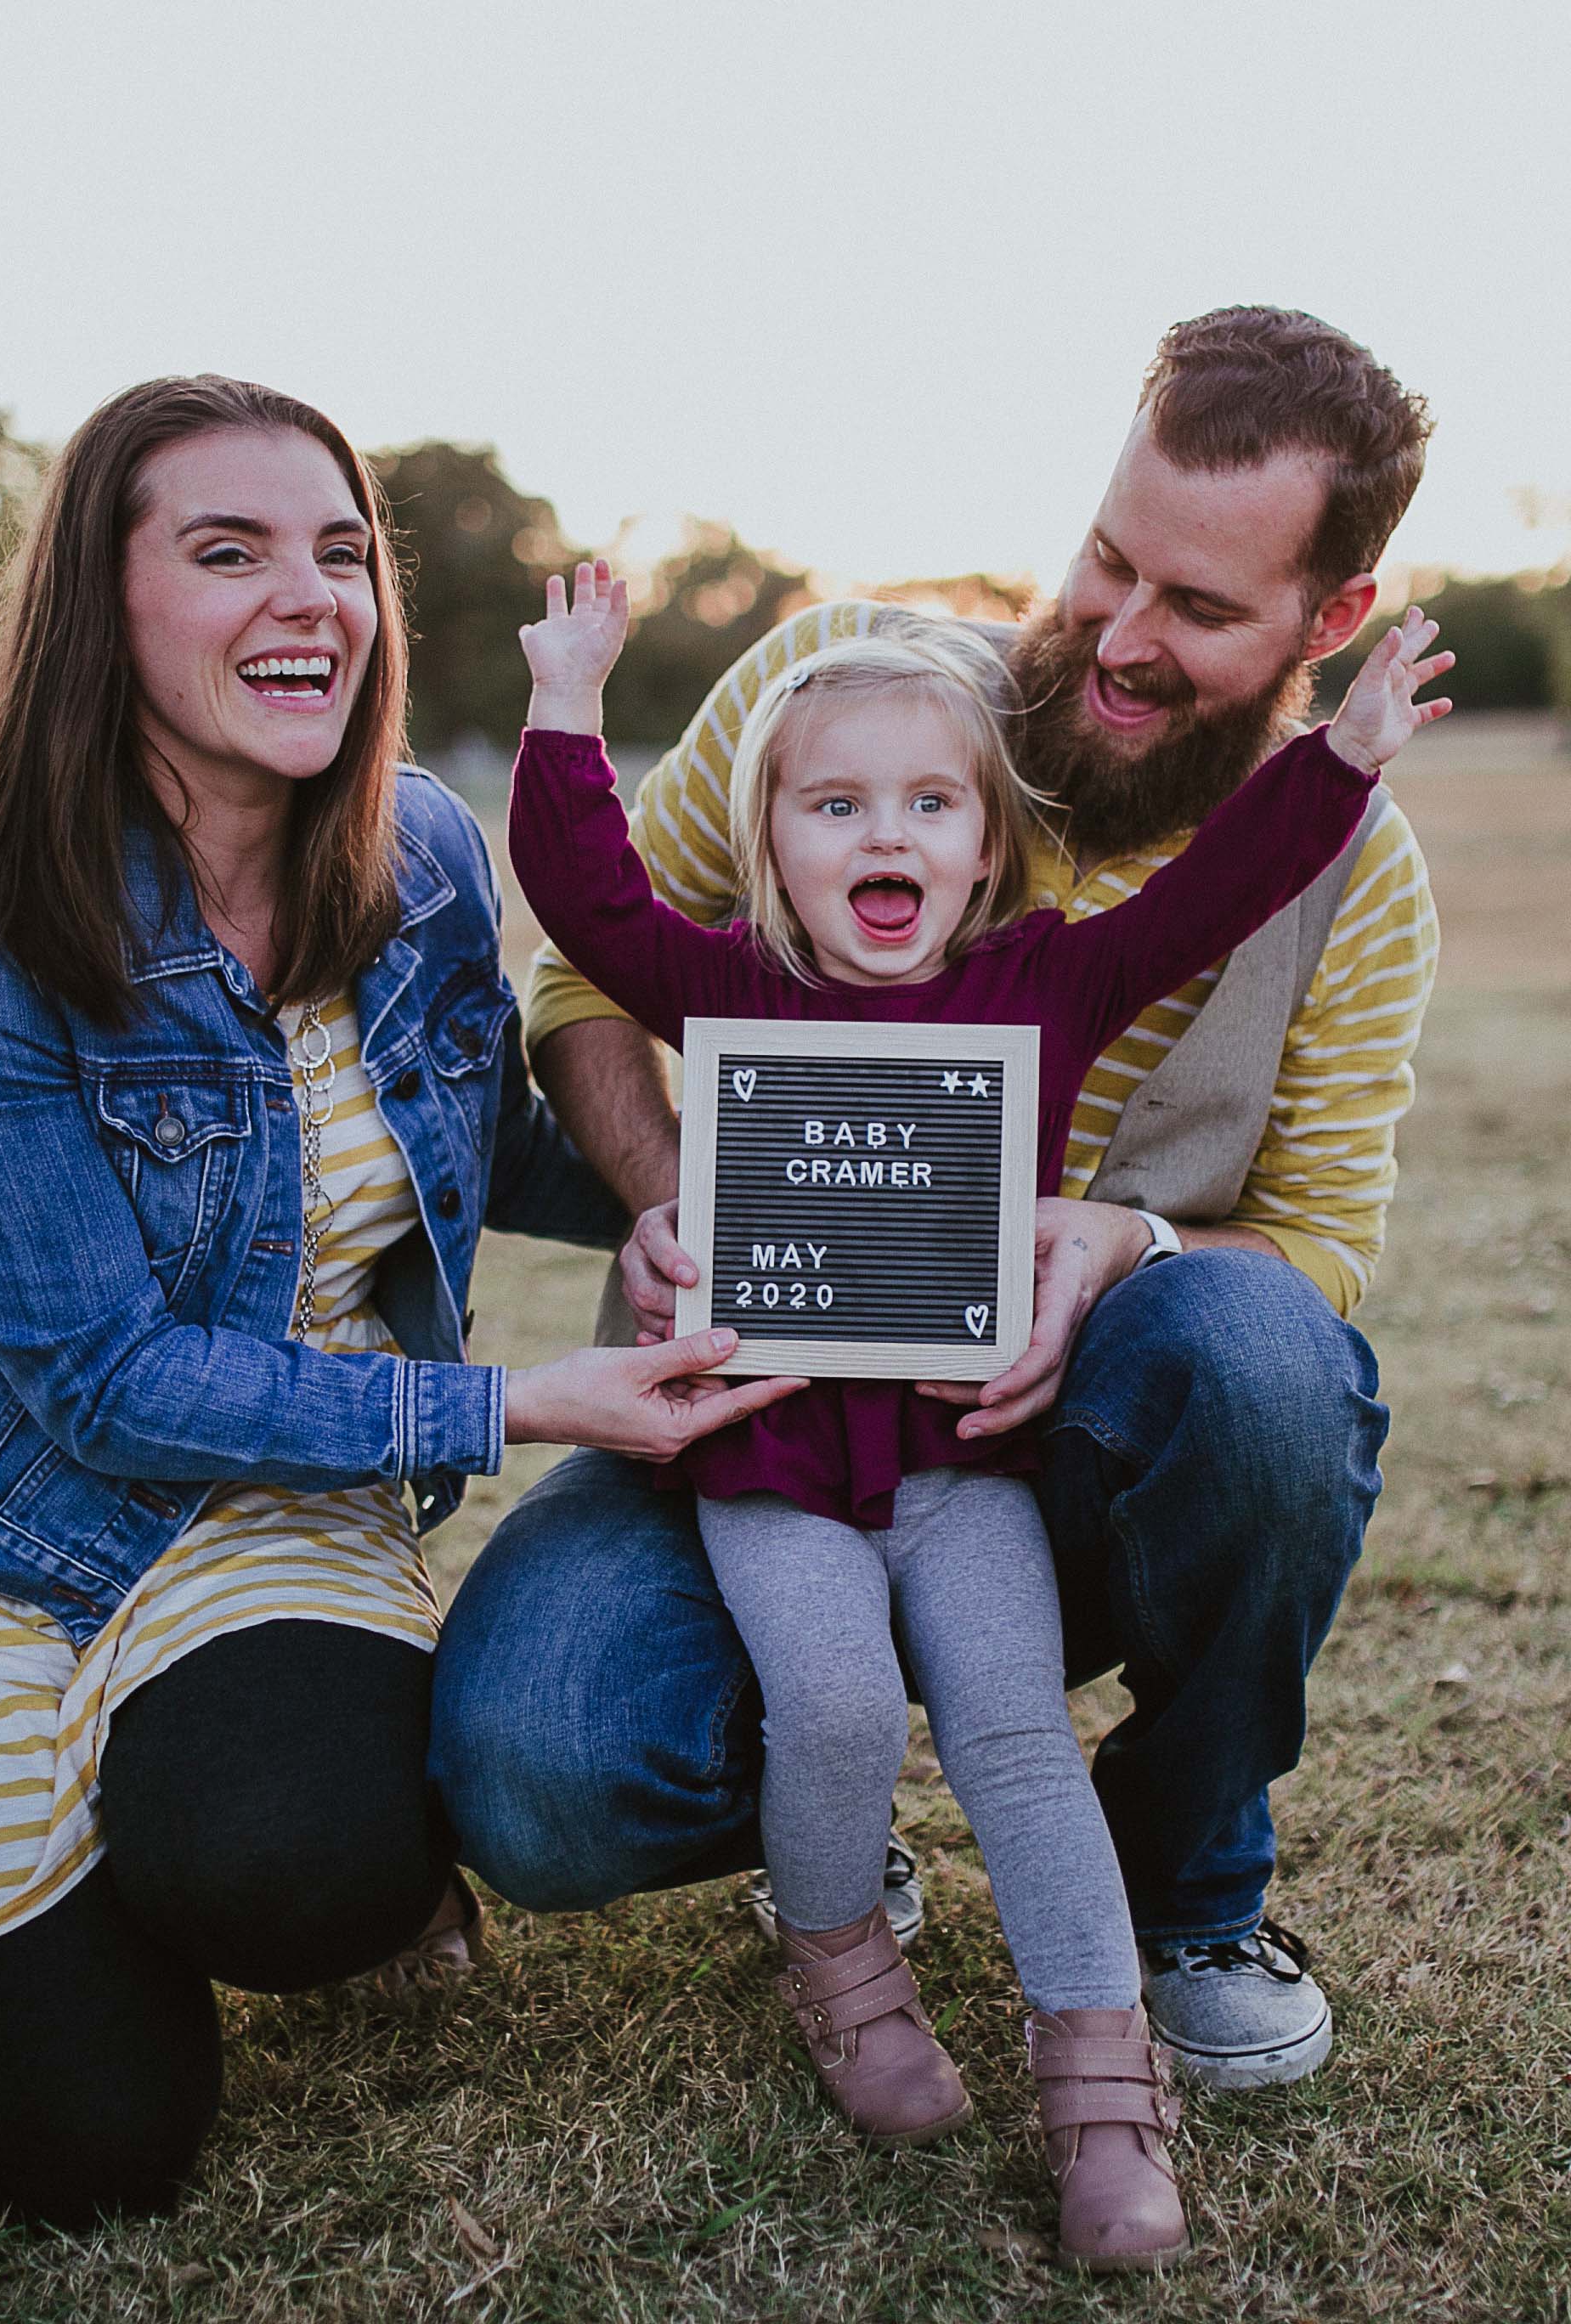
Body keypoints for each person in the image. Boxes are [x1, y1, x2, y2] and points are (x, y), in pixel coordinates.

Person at [0, 375, 805, 2227]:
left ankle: (261, 1820)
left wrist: (689, 1203)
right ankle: (73, 1864)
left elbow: (478, 1140)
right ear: (102, 606)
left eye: (341, 555)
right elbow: (104, 1382)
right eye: (229, 552)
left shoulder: (418, 850)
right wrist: (522, 1404)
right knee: (69, 2160)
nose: (309, 599)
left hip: (283, 1500)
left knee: (299, 1863)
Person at [435, 307, 1442, 2095]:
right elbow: (592, 942)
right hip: (755, 1425)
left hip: (1029, 1448)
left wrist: (1118, 1244)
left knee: (1258, 1355)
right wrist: (676, 1200)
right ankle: (824, 1837)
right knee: (536, 1763)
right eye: (1109, 557)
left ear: (1327, 617)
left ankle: (1184, 1888)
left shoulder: (1143, 946)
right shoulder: (828, 710)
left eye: (1198, 607)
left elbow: (1315, 1227)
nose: (1118, 635)